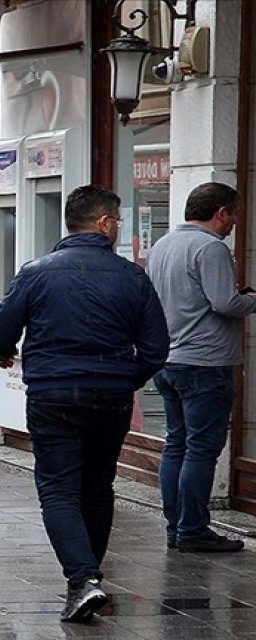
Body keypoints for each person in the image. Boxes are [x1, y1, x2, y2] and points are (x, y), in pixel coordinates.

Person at [0, 185, 169, 623]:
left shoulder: (36, 272)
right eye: (117, 221)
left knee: (59, 488)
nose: (118, 227)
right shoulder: (131, 277)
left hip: (53, 393)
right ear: (104, 224)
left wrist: (3, 351)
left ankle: (83, 579)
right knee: (97, 485)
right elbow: (157, 349)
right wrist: (127, 377)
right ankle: (88, 578)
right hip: (111, 397)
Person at [147, 182, 256, 553]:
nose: (235, 223)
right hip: (204, 362)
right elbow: (224, 302)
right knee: (201, 449)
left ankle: (175, 527)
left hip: (169, 359)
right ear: (221, 212)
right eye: (234, 215)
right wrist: (252, 300)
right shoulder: (211, 248)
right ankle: (193, 530)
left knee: (176, 444)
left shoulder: (164, 245)